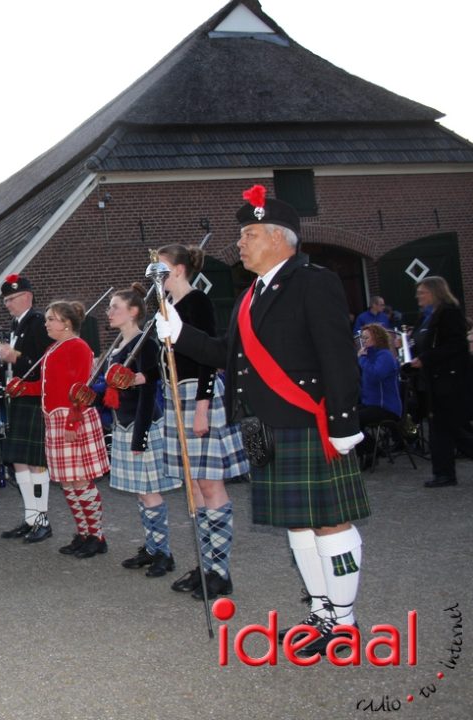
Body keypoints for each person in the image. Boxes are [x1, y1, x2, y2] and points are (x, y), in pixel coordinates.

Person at [156, 184, 368, 657]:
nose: (240, 243)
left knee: (330, 522)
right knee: (298, 524)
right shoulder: (251, 294)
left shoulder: (313, 282)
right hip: (260, 426)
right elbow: (227, 355)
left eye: (248, 234)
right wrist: (180, 334)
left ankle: (345, 622)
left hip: (306, 420)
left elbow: (337, 355)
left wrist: (343, 420)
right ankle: (320, 611)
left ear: (279, 237)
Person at [154, 243, 250, 600]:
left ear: (178, 270)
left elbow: (211, 356)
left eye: (161, 268)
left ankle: (220, 572)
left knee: (209, 485)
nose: (155, 276)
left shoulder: (198, 302)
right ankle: (205, 564)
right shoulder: (165, 307)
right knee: (193, 489)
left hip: (198, 396)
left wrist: (202, 406)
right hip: (174, 397)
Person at [7, 301, 110, 558]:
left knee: (81, 481)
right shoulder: (52, 348)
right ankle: (83, 533)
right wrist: (23, 387)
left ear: (66, 323)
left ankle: (97, 536)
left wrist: (73, 421)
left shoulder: (79, 347)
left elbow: (82, 388)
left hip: (72, 418)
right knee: (68, 483)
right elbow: (46, 386)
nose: (46, 323)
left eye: (51, 319)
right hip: (54, 420)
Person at [101, 286, 178, 574]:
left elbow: (153, 383)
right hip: (123, 423)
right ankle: (151, 548)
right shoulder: (119, 345)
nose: (109, 312)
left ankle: (164, 554)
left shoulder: (145, 343)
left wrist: (140, 435)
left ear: (133, 312)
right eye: (109, 307)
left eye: (115, 307)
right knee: (140, 493)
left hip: (142, 423)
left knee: (150, 492)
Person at [0, 274, 55, 543]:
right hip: (17, 398)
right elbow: (15, 367)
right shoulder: (16, 324)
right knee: (20, 462)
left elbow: (45, 363)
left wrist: (16, 357)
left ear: (28, 297)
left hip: (33, 398)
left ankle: (43, 520)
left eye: (12, 299)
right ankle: (31, 518)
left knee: (36, 463)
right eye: (5, 300)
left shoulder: (39, 323)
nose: (8, 304)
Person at [408, 276, 473, 487]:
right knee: (443, 428)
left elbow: (456, 345)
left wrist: (426, 359)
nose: (418, 296)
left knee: (449, 428)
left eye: (422, 292)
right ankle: (443, 473)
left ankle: (444, 473)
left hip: (448, 380)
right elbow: (420, 343)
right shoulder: (425, 317)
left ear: (435, 292)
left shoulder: (449, 314)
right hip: (432, 381)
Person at [355, 323, 402, 467]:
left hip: (385, 407)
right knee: (346, 416)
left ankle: (371, 450)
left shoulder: (385, 356)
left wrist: (361, 360)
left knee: (354, 420)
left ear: (376, 337)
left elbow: (376, 375)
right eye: (362, 338)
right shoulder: (368, 356)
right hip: (370, 404)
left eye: (366, 338)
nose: (363, 341)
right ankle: (369, 450)